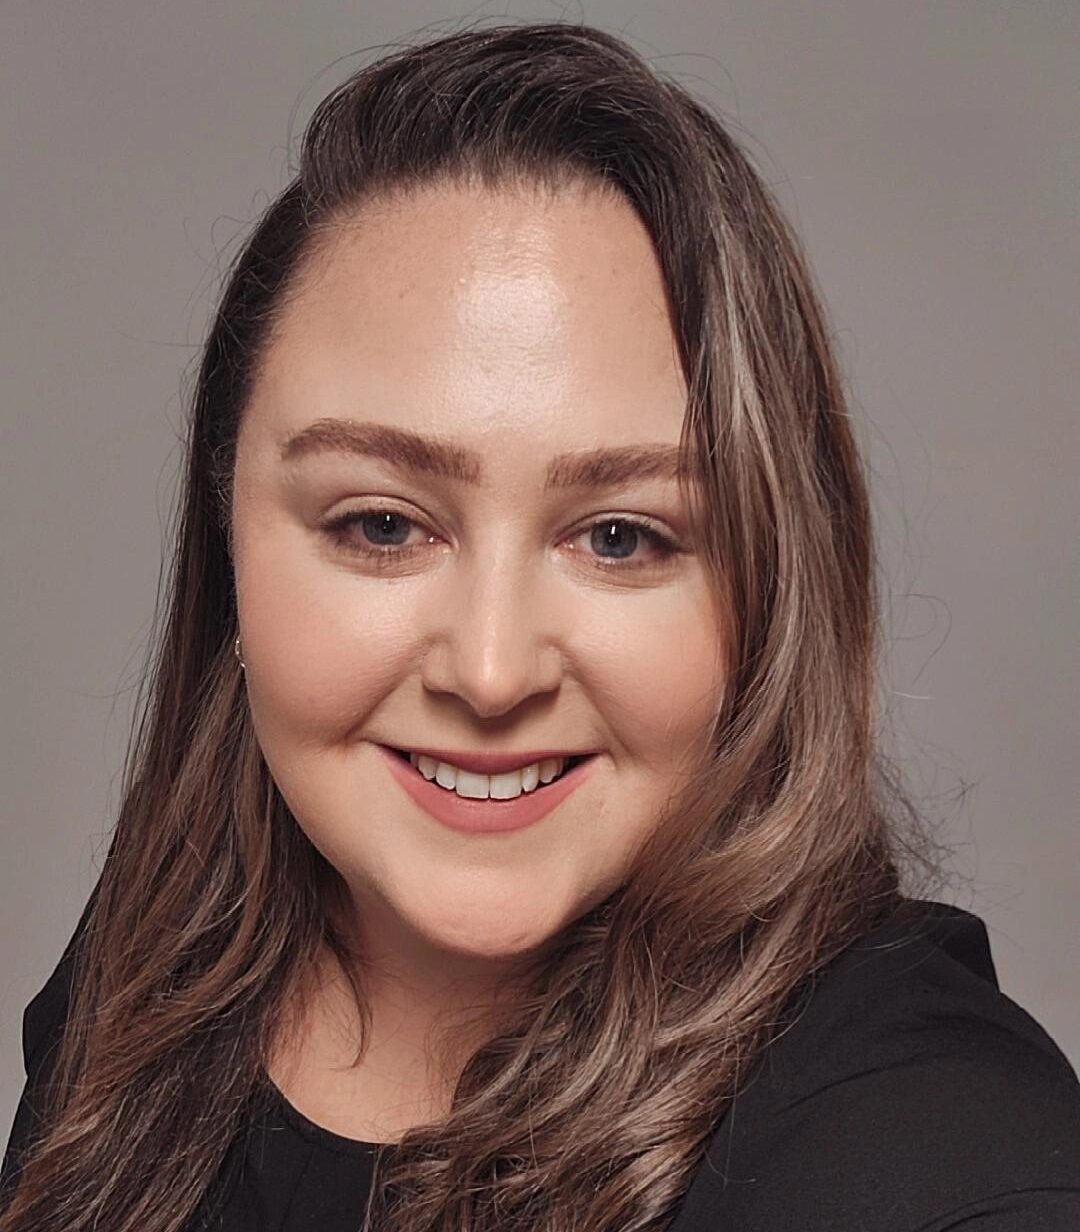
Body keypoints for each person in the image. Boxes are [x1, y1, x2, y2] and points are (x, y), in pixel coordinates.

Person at [2, 19, 1078, 1232]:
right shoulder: (148, 986)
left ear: (771, 587)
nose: (491, 667)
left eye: (619, 536)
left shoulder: (951, 1159)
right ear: (229, 537)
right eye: (381, 524)